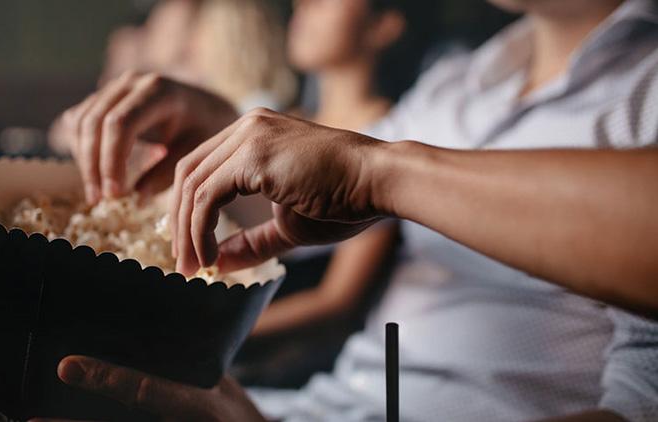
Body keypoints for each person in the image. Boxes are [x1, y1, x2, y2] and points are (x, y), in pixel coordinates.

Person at [55, 0, 658, 420]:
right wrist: (217, 131)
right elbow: (331, 190)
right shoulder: (459, 81)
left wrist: (378, 171)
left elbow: (639, 403)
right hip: (326, 404)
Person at [233, 0, 437, 387]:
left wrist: (215, 326)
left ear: (385, 26)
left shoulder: (391, 141)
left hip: (291, 360)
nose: (303, 4)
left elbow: (337, 302)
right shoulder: (276, 121)